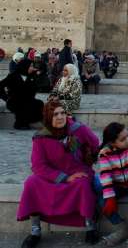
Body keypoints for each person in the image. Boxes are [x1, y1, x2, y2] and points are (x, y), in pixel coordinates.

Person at [17, 100, 100, 248]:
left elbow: (94, 142)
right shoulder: (41, 137)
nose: (60, 117)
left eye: (62, 112)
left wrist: (89, 156)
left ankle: (90, 226)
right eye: (55, 114)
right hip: (52, 174)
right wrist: (64, 178)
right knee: (31, 183)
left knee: (83, 183)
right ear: (48, 117)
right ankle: (35, 231)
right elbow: (38, 165)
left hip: (77, 171)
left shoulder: (77, 129)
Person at [0, 58, 44, 129]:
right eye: (31, 66)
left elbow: (33, 91)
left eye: (32, 66)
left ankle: (32, 121)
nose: (32, 68)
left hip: (27, 100)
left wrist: (34, 78)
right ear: (25, 66)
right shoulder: (13, 76)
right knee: (22, 105)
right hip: (13, 100)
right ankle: (20, 124)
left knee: (39, 103)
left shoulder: (31, 77)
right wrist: (6, 98)